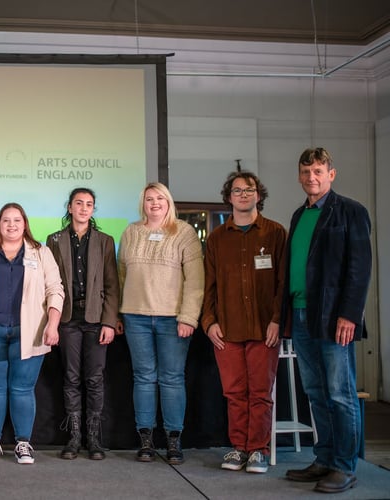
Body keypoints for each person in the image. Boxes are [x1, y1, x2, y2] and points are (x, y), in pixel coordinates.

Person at [280, 147, 372, 493]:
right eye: (305, 172)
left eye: (318, 171)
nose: (311, 178)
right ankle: (325, 457)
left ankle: (344, 466)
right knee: (316, 392)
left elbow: (360, 268)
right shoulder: (298, 215)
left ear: (331, 174)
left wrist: (350, 314)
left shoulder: (351, 211)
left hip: (335, 318)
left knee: (341, 393)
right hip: (302, 315)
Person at [0, 202, 64, 465]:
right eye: (6, 220)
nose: (12, 225)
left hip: (30, 333)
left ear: (25, 223)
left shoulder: (41, 253)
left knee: (22, 389)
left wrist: (53, 324)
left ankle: (23, 444)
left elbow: (56, 290)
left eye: (17, 220)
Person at [201, 171, 286, 473]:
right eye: (237, 191)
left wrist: (278, 320)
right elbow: (208, 285)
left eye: (249, 190)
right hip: (228, 329)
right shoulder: (216, 238)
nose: (243, 195)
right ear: (229, 197)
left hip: (266, 330)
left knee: (260, 394)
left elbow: (282, 282)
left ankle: (258, 450)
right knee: (235, 393)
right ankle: (238, 448)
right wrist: (209, 322)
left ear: (258, 195)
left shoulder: (275, 233)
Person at [117, 182, 204, 465]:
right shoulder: (131, 232)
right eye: (149, 199)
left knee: (171, 378)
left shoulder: (184, 232)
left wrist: (189, 317)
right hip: (135, 316)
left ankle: (173, 439)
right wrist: (119, 312)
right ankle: (145, 439)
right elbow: (120, 275)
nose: (154, 203)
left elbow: (196, 281)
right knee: (143, 377)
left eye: (160, 198)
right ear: (142, 203)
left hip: (172, 319)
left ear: (169, 202)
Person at [46, 188, 119, 460]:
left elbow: (112, 285)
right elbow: (50, 284)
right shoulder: (54, 240)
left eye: (89, 204)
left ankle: (94, 439)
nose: (84, 208)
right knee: (71, 378)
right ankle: (74, 438)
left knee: (95, 378)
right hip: (67, 320)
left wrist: (110, 322)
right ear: (70, 207)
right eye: (79, 203)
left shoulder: (105, 241)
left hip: (96, 320)